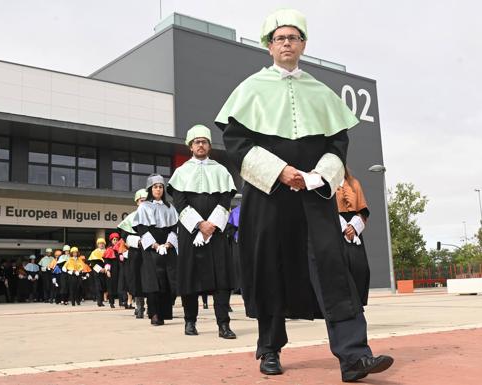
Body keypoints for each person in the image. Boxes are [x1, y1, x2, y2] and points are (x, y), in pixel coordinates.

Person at [216, 9, 393, 381]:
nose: (287, 44)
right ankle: (269, 347)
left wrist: (317, 177)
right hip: (269, 193)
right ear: (269, 46)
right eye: (280, 38)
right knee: (269, 266)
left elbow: (337, 143)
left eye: (293, 38)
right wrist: (280, 171)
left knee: (333, 266)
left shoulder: (320, 92)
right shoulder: (250, 89)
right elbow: (235, 142)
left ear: (303, 45)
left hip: (315, 194)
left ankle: (353, 356)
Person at [168, 124, 238, 339]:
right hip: (190, 232)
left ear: (209, 146)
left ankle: (223, 325)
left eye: (204, 142)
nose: (201, 145)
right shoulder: (181, 172)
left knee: (221, 278)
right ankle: (190, 321)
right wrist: (199, 225)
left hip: (216, 231)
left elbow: (225, 200)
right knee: (190, 276)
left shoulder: (220, 170)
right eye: (197, 142)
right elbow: (179, 203)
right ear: (190, 146)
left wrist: (211, 225)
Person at [132, 174, 179, 326]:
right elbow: (142, 228)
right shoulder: (144, 206)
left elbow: (174, 227)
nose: (158, 189)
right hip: (151, 248)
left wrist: (168, 244)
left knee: (167, 280)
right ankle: (154, 314)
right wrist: (155, 245)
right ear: (150, 189)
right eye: (155, 187)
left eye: (160, 187)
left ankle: (165, 313)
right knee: (153, 281)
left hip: (167, 246)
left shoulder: (170, 207)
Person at [336, 168, 371, 305]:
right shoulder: (325, 182)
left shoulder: (354, 183)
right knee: (340, 269)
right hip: (335, 228)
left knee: (360, 268)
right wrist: (343, 227)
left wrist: (353, 227)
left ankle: (357, 305)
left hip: (354, 227)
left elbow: (363, 210)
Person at [117, 188, 148, 318]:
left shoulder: (156, 216)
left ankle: (153, 305)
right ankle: (139, 305)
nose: (144, 203)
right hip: (136, 251)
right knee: (137, 279)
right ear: (137, 202)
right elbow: (124, 236)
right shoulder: (131, 217)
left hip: (152, 251)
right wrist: (138, 241)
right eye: (142, 201)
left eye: (147, 201)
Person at [103, 233, 122, 308]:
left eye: (117, 240)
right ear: (111, 241)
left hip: (120, 269)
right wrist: (107, 271)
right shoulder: (109, 250)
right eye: (114, 240)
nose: (115, 241)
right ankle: (111, 302)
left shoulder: (120, 249)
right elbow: (107, 261)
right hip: (112, 270)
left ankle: (122, 302)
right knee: (111, 287)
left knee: (120, 286)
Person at [88, 238, 108, 307]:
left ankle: (102, 300)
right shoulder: (94, 252)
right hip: (97, 272)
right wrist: (100, 269)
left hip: (105, 271)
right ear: (98, 244)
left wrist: (106, 269)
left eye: (102, 243)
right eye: (100, 243)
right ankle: (99, 301)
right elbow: (92, 263)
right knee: (98, 286)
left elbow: (109, 262)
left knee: (103, 286)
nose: (101, 245)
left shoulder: (107, 251)